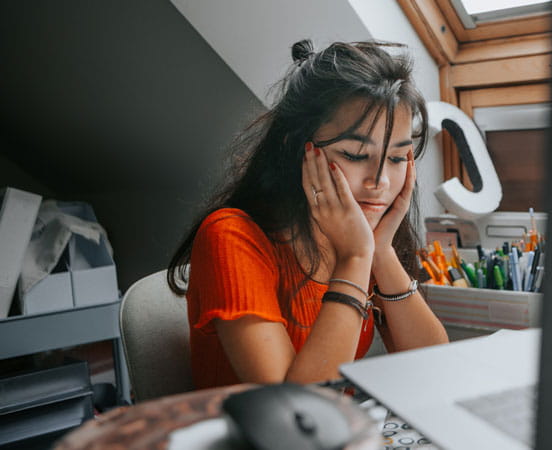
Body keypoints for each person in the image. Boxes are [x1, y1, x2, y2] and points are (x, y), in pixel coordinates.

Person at [166, 39, 449, 388]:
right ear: (297, 149)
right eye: (356, 155)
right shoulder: (231, 236)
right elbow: (293, 410)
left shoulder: (361, 237)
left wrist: (381, 252)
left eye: (395, 159)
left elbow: (435, 370)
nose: (379, 182)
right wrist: (356, 256)